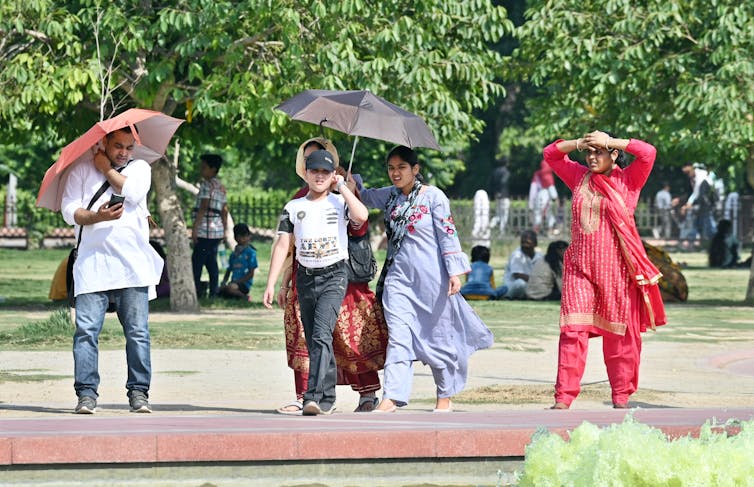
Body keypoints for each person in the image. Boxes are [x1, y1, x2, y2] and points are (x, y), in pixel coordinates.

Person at [356, 145, 494, 413]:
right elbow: (365, 197)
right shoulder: (390, 197)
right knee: (398, 336)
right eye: (391, 168)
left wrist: (454, 272)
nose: (395, 173)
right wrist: (348, 181)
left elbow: (448, 234)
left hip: (433, 280)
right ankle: (392, 396)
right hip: (397, 280)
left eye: (401, 168)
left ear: (415, 169)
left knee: (438, 337)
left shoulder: (434, 197)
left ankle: (445, 395)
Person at [543, 130, 666, 410]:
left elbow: (648, 152)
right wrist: (578, 143)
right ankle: (564, 397)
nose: (591, 157)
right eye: (589, 152)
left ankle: (621, 396)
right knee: (572, 331)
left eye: (598, 152)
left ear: (613, 154)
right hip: (580, 269)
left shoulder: (629, 180)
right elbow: (551, 154)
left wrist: (610, 141)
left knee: (618, 337)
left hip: (616, 272)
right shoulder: (578, 177)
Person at [275, 140, 388, 414]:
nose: (317, 170)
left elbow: (360, 228)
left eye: (322, 163)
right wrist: (284, 281)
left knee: (352, 338)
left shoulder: (344, 194)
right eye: (309, 161)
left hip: (344, 278)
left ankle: (367, 393)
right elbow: (288, 244)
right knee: (308, 337)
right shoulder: (298, 199)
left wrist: (348, 193)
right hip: (306, 276)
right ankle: (308, 396)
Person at [61, 126, 164, 414]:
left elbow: (130, 192)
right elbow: (70, 210)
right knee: (86, 332)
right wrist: (97, 216)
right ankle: (86, 394)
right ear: (104, 141)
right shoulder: (80, 171)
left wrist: (105, 167)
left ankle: (139, 392)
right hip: (92, 266)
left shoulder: (140, 168)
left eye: (129, 147)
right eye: (118, 145)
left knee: (137, 332)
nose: (124, 152)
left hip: (132, 268)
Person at [191, 154, 228, 298]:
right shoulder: (221, 187)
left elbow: (203, 207)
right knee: (212, 262)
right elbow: (225, 210)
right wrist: (224, 230)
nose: (201, 170)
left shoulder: (206, 185)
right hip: (216, 231)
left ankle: (196, 291)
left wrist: (195, 228)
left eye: (204, 167)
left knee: (197, 262)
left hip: (205, 231)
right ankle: (214, 290)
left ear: (213, 169)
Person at [218, 223, 257, 300]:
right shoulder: (234, 254)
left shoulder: (250, 253)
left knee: (230, 289)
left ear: (248, 236)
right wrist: (224, 282)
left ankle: (245, 297)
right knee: (220, 290)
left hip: (243, 284)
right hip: (233, 283)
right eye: (238, 237)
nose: (241, 239)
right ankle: (234, 295)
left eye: (243, 236)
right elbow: (228, 270)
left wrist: (238, 282)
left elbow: (251, 274)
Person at [501, 230, 543, 299]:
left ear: (535, 244)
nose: (524, 245)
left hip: (531, 285)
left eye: (527, 242)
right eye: (522, 242)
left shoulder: (540, 256)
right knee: (520, 283)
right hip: (513, 287)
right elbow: (517, 275)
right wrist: (537, 281)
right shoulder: (517, 255)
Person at [681, 163, 717, 241]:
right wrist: (689, 202)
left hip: (707, 203)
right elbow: (696, 192)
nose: (688, 175)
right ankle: (693, 240)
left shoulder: (701, 175)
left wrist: (689, 203)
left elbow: (697, 192)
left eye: (688, 172)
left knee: (709, 222)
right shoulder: (693, 178)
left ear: (691, 168)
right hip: (702, 203)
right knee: (700, 222)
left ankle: (716, 240)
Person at [529, 160, 558, 235]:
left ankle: (536, 232)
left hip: (538, 197)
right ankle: (550, 231)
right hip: (547, 198)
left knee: (537, 215)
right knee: (549, 215)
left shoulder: (537, 174)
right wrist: (556, 199)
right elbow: (553, 192)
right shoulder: (548, 176)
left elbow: (533, 188)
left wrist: (531, 202)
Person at [489, 157, 510, 234]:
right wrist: (500, 192)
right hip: (504, 195)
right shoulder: (506, 172)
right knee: (504, 214)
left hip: (496, 195)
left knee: (498, 213)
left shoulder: (495, 171)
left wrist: (495, 193)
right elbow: (503, 182)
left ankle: (490, 225)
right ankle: (502, 231)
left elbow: (491, 183)